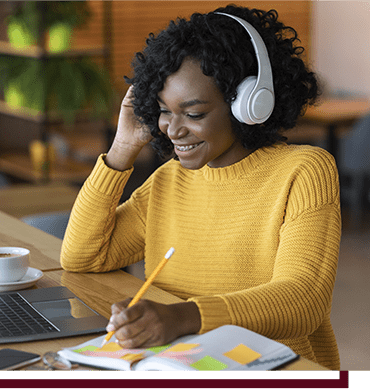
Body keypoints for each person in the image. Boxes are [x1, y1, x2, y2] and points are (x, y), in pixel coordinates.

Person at [61, 4, 341, 370]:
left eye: (193, 114)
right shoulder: (169, 180)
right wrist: (122, 150)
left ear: (249, 104)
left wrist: (181, 317)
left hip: (273, 366)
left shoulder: (303, 172)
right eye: (164, 110)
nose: (173, 129)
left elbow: (303, 301)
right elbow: (82, 257)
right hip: (188, 360)